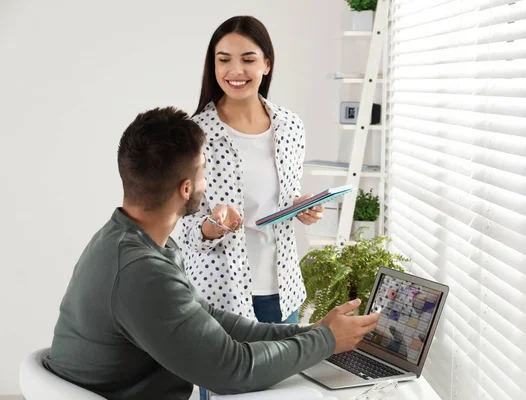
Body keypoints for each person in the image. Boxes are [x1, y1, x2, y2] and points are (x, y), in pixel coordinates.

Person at [42, 107, 380, 399]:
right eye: (203, 170)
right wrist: (324, 341)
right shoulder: (140, 271)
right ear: (186, 188)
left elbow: (213, 321)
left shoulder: (124, 238)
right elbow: (232, 370)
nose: (206, 182)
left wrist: (312, 333)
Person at [176, 15, 323, 324]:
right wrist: (211, 228)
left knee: (285, 374)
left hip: (282, 292)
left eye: (248, 59)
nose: (236, 71)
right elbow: (185, 229)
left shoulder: (290, 127)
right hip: (216, 294)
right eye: (224, 60)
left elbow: (285, 196)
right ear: (213, 66)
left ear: (266, 64)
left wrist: (300, 208)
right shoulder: (193, 135)